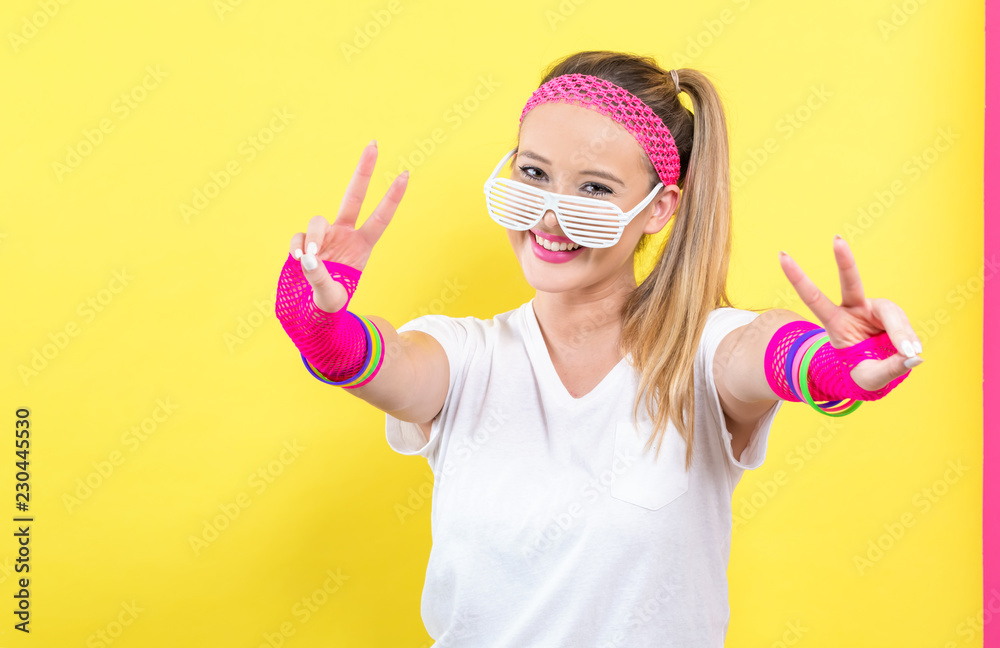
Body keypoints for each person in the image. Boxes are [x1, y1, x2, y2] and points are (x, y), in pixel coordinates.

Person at [274, 50, 923, 647]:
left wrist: (842, 367)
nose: (549, 217)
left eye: (593, 189)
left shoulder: (700, 354)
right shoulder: (466, 356)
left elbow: (770, 351)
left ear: (659, 208)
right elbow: (379, 363)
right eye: (533, 174)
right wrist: (319, 325)